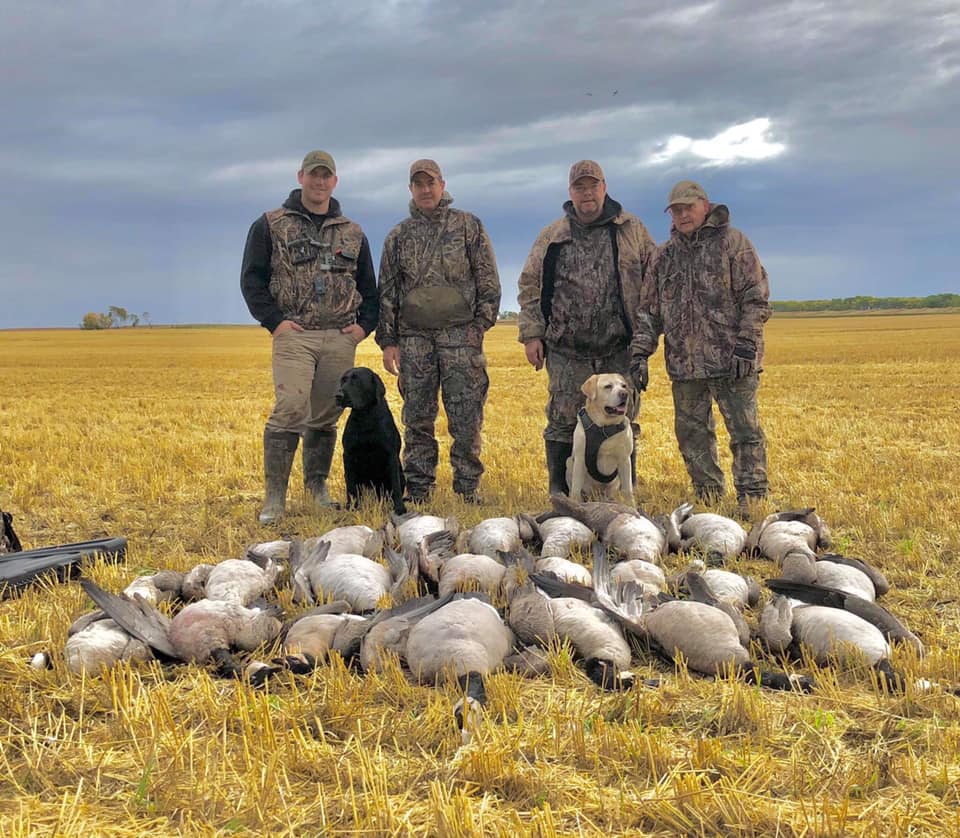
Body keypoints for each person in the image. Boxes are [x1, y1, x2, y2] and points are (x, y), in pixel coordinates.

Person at [241, 150, 378, 524]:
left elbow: (369, 286)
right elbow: (251, 279)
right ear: (301, 176)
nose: (319, 182)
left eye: (326, 176)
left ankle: (316, 487)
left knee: (326, 413)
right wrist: (275, 322)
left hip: (338, 337)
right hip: (295, 335)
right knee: (290, 408)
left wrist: (363, 327)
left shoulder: (352, 231)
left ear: (335, 182)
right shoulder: (271, 224)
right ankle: (275, 498)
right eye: (313, 175)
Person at [629, 180, 771, 512]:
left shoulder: (734, 244)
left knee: (745, 430)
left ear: (704, 206)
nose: (682, 215)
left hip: (733, 359)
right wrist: (639, 354)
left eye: (687, 208)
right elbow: (649, 311)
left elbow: (757, 299)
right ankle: (707, 494)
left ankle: (753, 497)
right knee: (692, 435)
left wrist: (747, 344)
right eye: (676, 210)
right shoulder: (664, 257)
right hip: (684, 364)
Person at [517, 160, 656, 496]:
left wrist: (645, 337)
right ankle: (560, 492)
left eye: (593, 185)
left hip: (618, 345)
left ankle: (627, 490)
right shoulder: (553, 235)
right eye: (580, 187)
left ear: (604, 187)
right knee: (562, 419)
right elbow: (530, 285)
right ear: (571, 193)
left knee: (624, 418)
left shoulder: (631, 229)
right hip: (567, 347)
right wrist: (532, 333)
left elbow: (654, 280)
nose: (587, 193)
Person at [377, 159, 501, 504]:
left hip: (461, 337)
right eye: (419, 184)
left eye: (431, 183)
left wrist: (479, 327)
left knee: (466, 416)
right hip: (415, 341)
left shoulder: (468, 226)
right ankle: (418, 487)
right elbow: (387, 291)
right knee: (417, 416)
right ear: (411, 190)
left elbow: (488, 281)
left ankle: (467, 487)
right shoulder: (398, 237)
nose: (426, 189)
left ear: (442, 185)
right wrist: (389, 342)